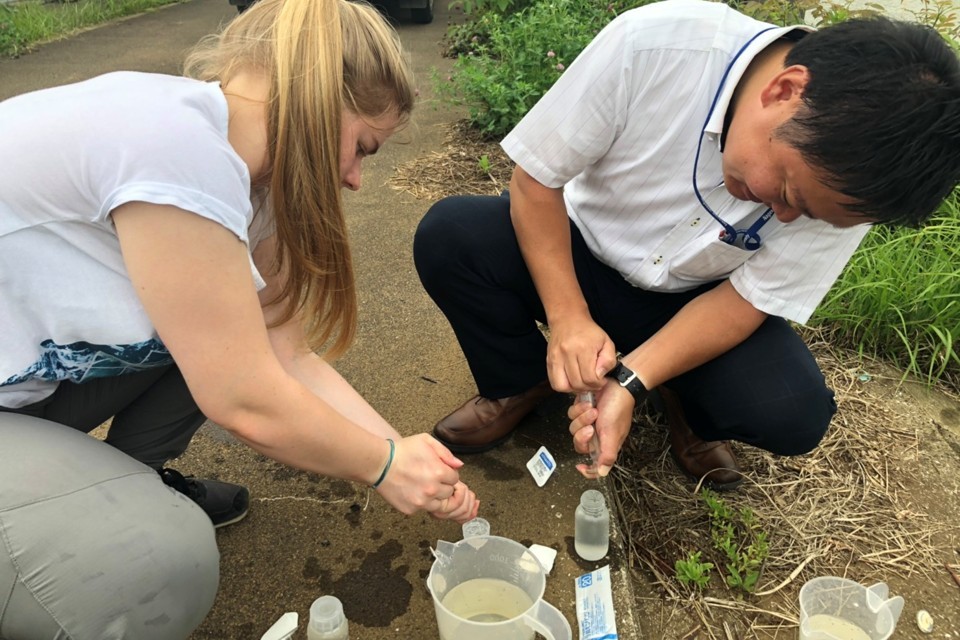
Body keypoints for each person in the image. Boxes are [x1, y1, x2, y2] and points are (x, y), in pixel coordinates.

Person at [0, 0, 479, 636]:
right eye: (362, 147)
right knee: (165, 562)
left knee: (222, 335)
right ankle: (98, 536)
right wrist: (383, 466)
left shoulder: (251, 179)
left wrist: (402, 453)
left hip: (24, 391)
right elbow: (244, 398)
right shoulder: (173, 147)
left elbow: (287, 357)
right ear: (313, 99)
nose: (358, 180)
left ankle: (126, 487)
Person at [414, 0, 960, 486]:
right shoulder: (655, 45)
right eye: (788, 189)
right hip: (577, 248)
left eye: (806, 212)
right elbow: (535, 182)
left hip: (694, 300)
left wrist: (630, 382)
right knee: (452, 236)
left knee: (792, 410)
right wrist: (568, 319)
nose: (785, 215)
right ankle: (523, 381)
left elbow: (747, 300)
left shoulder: (854, 182)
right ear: (784, 91)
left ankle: (679, 400)